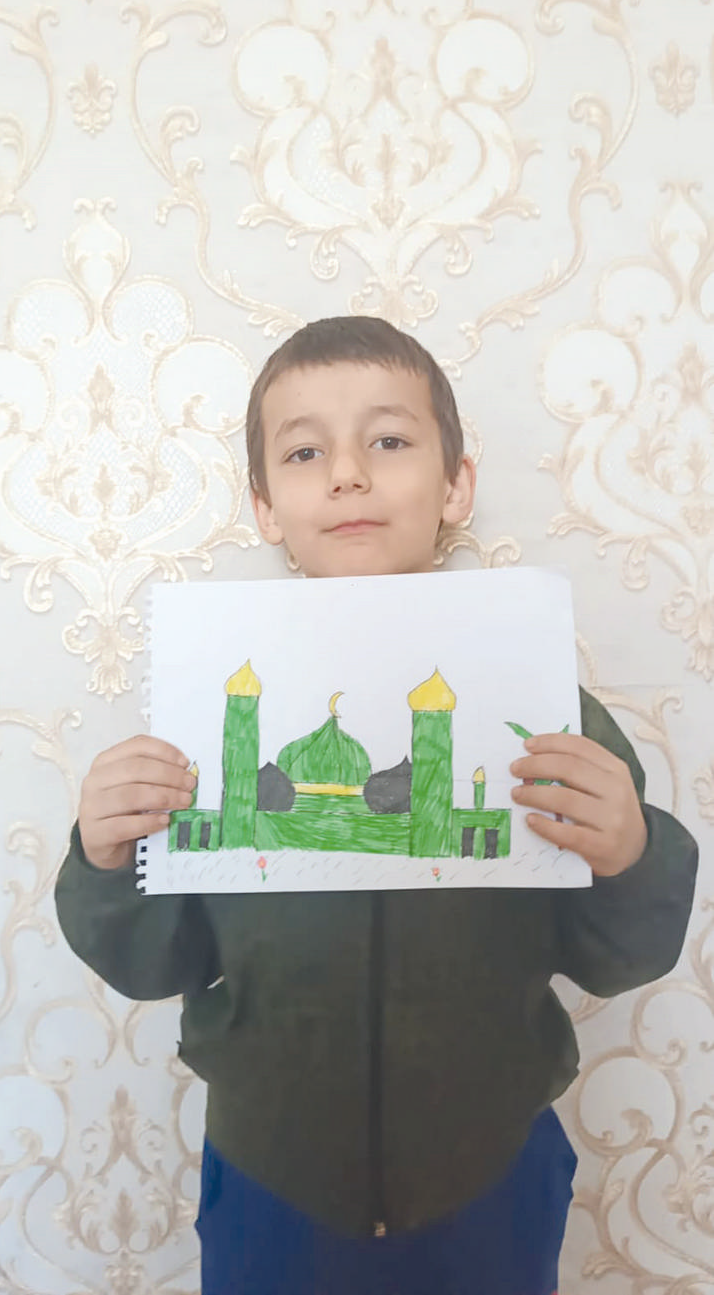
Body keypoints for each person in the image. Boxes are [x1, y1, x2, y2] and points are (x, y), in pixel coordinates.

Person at [55, 316, 698, 1295]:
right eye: (305, 452)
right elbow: (155, 961)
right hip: (273, 1175)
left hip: (489, 1171)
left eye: (389, 440)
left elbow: (619, 954)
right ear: (265, 506)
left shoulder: (544, 717)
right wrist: (106, 859)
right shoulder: (201, 725)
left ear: (456, 486)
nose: (348, 474)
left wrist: (631, 853)